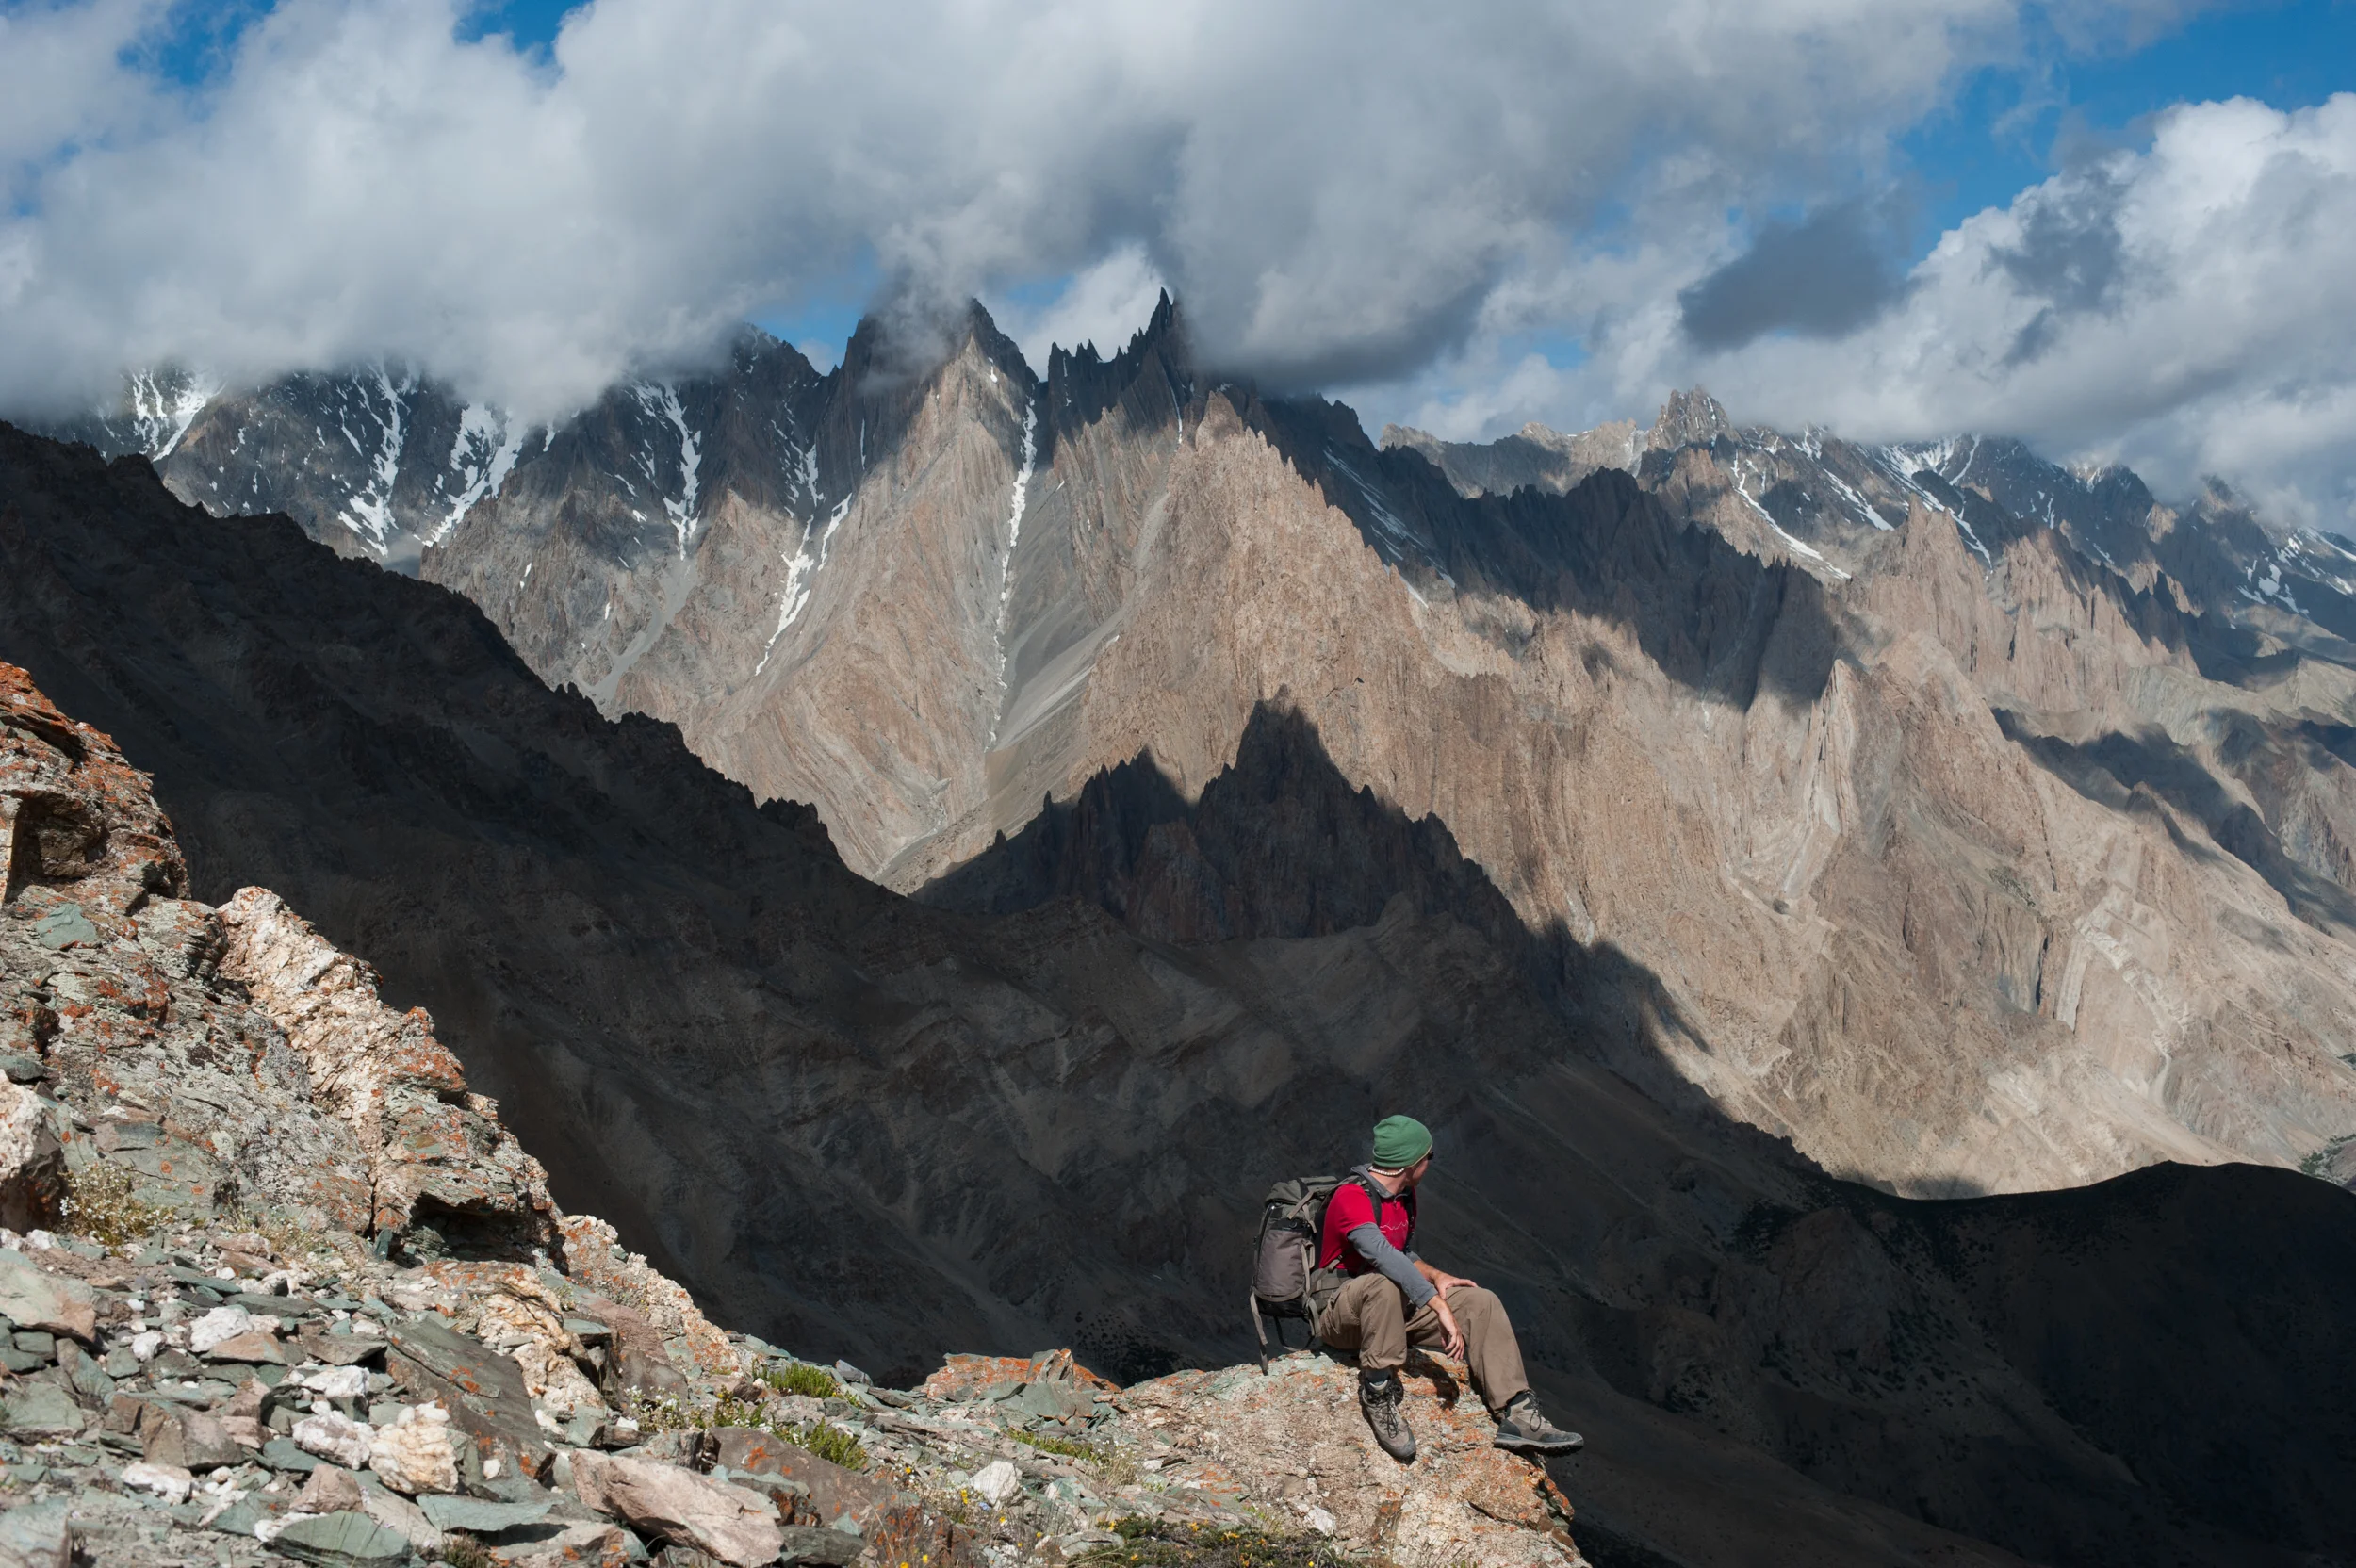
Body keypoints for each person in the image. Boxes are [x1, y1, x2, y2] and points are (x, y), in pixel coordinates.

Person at [1313, 1114, 1583, 1462]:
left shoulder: (1404, 1197)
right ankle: (1377, 1391)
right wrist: (1436, 1305)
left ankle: (1518, 1413)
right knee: (1382, 1284)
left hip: (1391, 1312)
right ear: (1411, 1164)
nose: (1430, 1163)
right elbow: (1378, 1254)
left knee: (1478, 1302)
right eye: (1428, 1157)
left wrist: (1436, 1277)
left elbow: (1403, 1253)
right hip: (1341, 1315)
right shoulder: (1351, 1197)